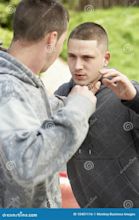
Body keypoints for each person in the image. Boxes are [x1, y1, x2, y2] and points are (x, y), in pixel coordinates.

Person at [0, 2, 99, 208]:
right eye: (62, 42)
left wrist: (76, 98)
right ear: (52, 39)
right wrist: (78, 108)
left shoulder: (24, 83)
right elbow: (26, 163)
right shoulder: (7, 86)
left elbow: (33, 115)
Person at [55, 22, 139, 208]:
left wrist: (134, 99)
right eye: (71, 56)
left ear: (105, 58)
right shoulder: (61, 96)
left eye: (87, 58)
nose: (78, 66)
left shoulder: (127, 93)